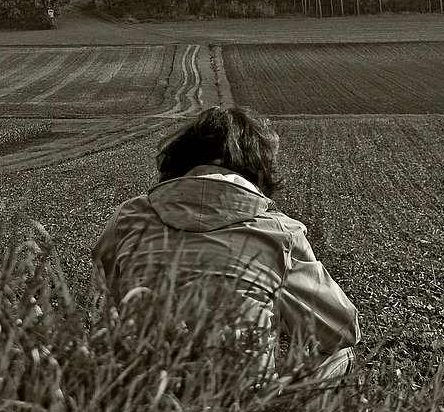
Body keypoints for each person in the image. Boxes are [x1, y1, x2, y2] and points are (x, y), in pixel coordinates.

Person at [92, 106, 360, 378]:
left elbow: (103, 302)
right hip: (239, 401)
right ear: (259, 173)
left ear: (180, 160)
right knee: (342, 353)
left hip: (139, 391)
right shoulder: (280, 232)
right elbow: (342, 331)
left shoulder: (129, 216)